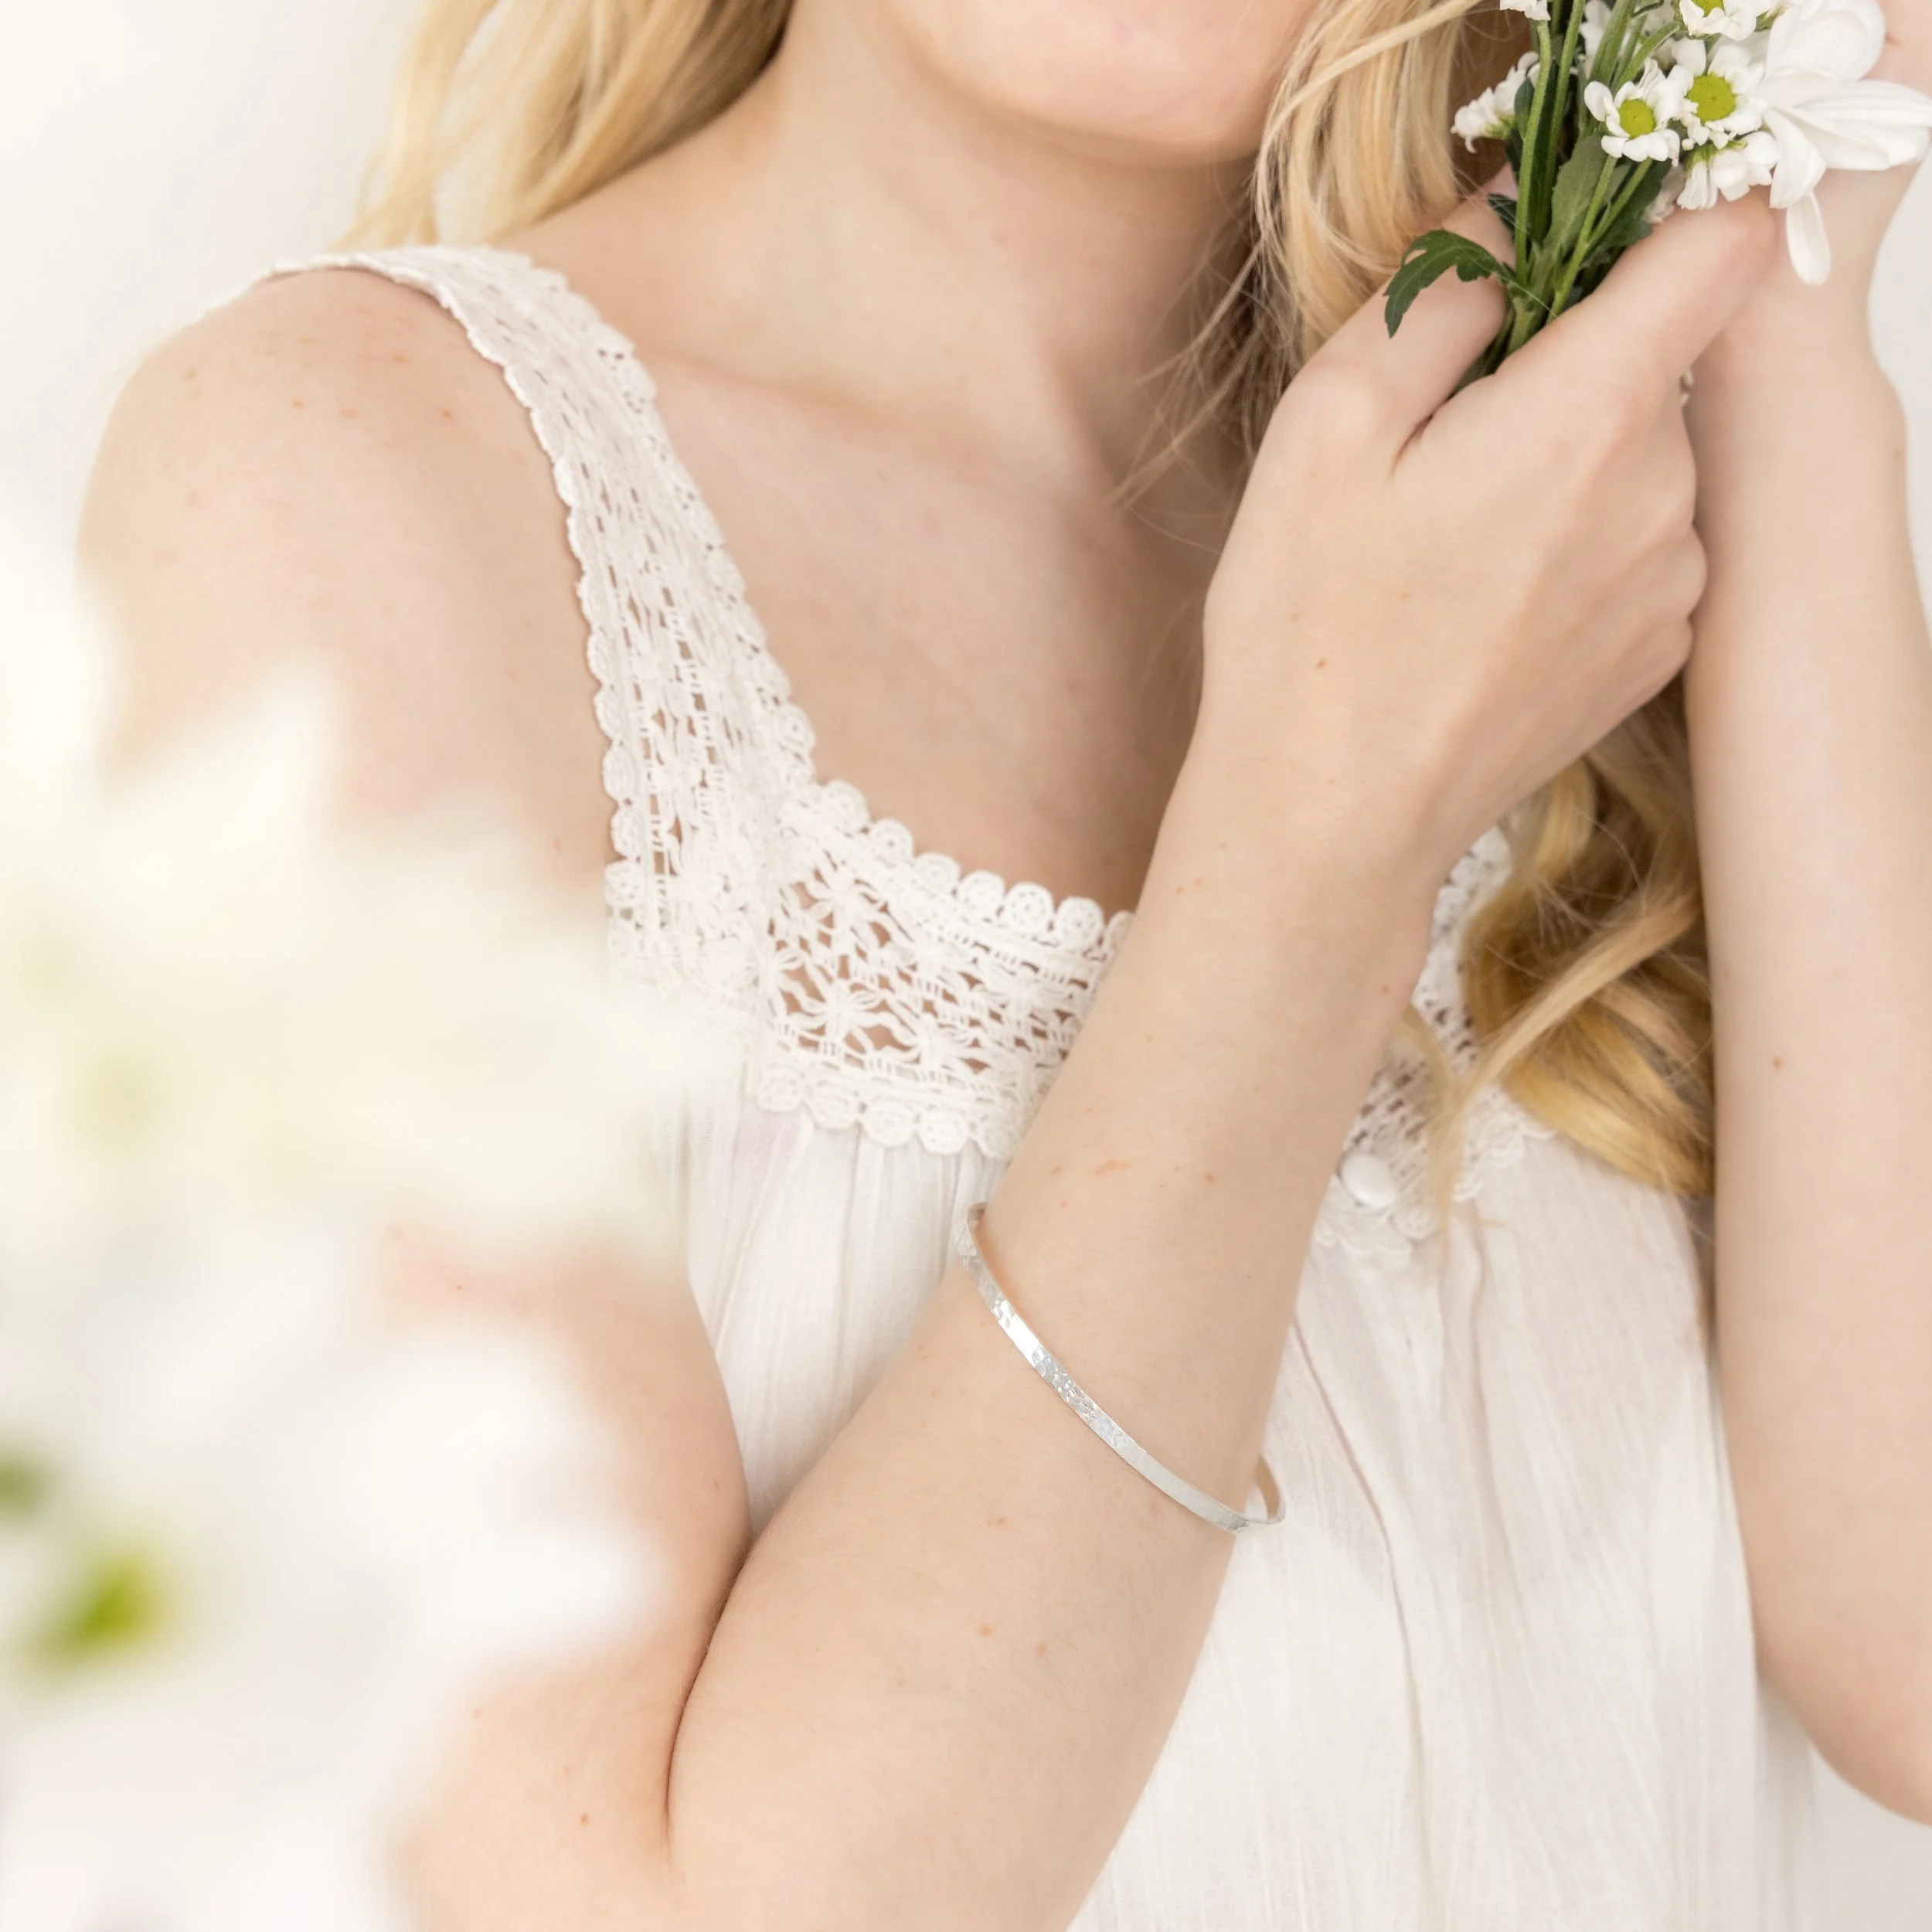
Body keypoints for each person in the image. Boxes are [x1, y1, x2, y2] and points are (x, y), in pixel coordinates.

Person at [78, 0, 1932, 1923]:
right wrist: (1320, 834)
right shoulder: (342, 477)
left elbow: (1905, 1663)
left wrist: (1775, 293)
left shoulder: (1589, 552)